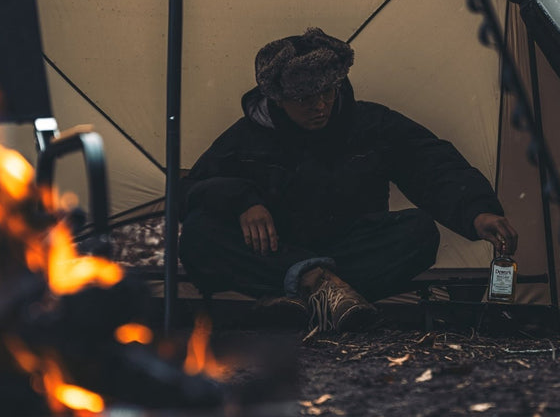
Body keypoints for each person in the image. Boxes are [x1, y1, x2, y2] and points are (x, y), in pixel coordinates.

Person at [179, 28, 518, 332]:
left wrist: (477, 211)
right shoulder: (247, 136)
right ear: (278, 100)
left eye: (327, 92)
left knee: (419, 232)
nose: (320, 106)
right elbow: (192, 190)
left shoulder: (370, 124)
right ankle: (322, 288)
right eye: (305, 98)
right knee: (198, 235)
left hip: (350, 247)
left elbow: (429, 164)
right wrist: (243, 201)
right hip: (278, 252)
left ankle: (298, 296)